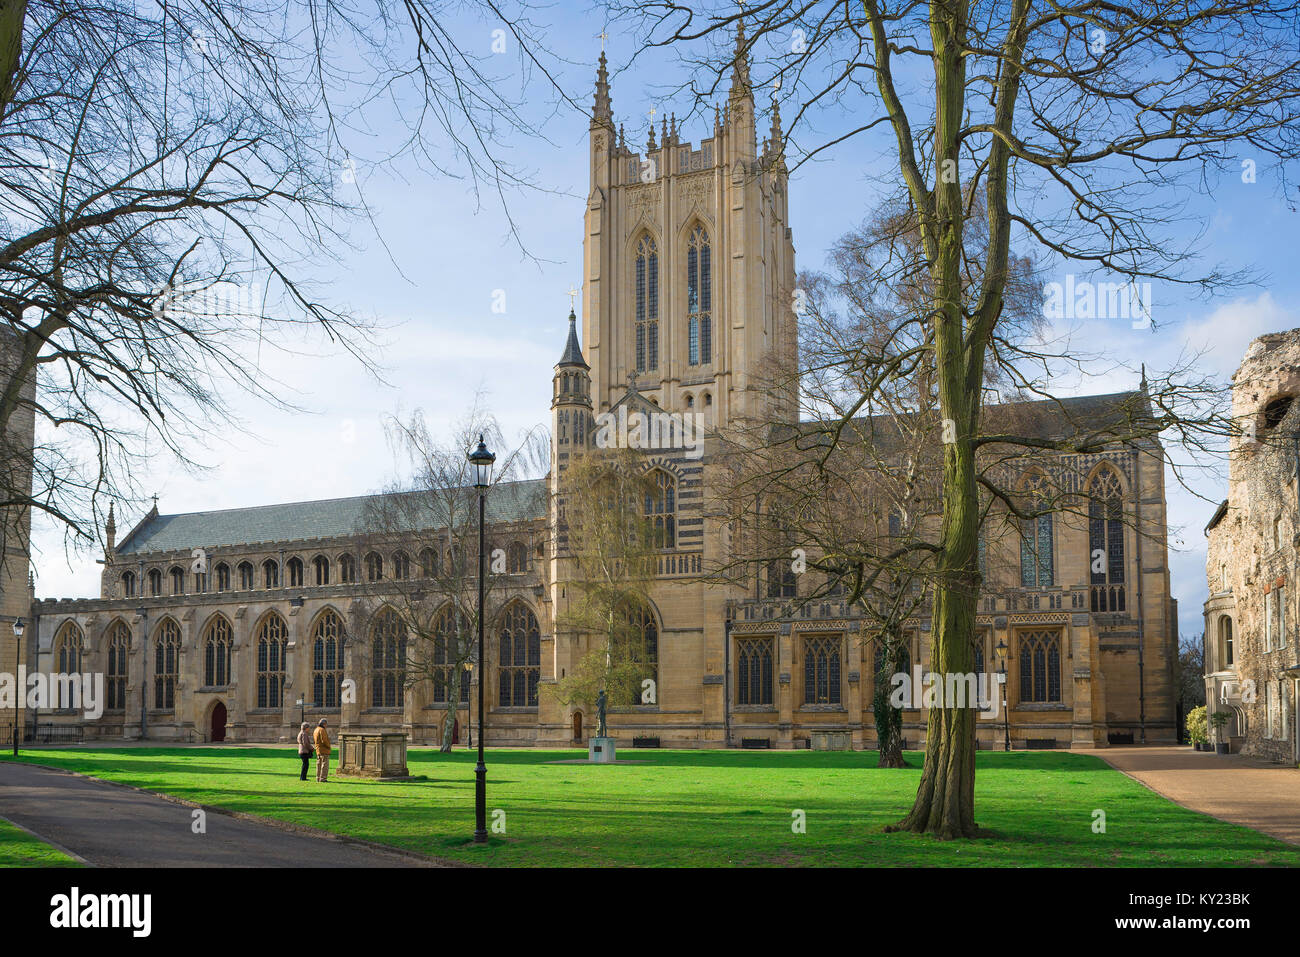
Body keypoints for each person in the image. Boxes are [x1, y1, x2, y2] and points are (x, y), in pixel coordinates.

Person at [313, 718, 332, 782]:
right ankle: (323, 778)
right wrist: (329, 746)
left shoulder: (316, 730)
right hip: (324, 750)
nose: (326, 726)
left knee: (319, 764)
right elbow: (324, 740)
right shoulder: (322, 730)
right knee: (325, 764)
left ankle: (318, 777)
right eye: (326, 724)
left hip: (318, 749)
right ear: (324, 724)